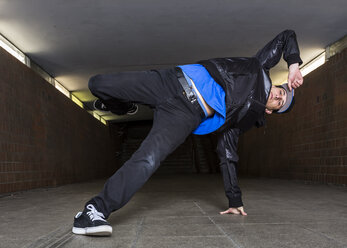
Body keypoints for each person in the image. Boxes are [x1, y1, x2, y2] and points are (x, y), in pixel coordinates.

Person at [72, 29, 304, 236]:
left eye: (279, 103)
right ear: (278, 85)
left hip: (184, 114)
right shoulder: (258, 69)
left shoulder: (243, 118)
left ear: (271, 111)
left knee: (148, 159)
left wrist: (235, 200)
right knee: (97, 84)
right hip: (169, 81)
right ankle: (123, 106)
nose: (277, 97)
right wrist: (294, 65)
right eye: (281, 93)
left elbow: (228, 156)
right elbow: (286, 36)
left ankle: (95, 210)